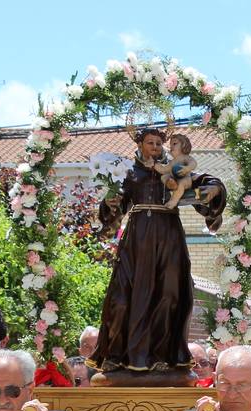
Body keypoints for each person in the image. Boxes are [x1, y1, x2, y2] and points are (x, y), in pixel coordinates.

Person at [91, 127, 224, 379]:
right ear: (140, 144)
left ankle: (164, 356)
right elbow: (114, 211)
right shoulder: (127, 172)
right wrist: (110, 206)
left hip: (168, 238)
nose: (155, 147)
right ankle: (117, 354)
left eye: (158, 143)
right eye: (149, 143)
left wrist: (214, 191)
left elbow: (205, 182)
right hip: (137, 243)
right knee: (122, 298)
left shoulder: (174, 169)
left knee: (169, 294)